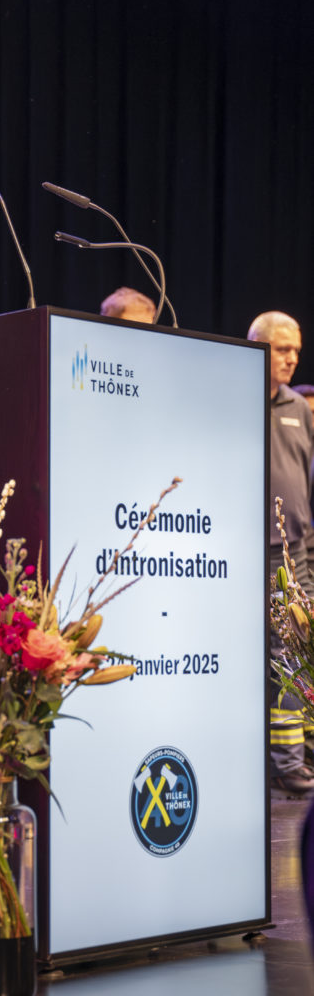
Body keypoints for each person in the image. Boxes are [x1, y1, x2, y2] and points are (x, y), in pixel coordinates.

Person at [248, 310, 314, 796]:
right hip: (254, 556)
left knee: (301, 653)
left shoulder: (299, 409)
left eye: (296, 350)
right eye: (282, 349)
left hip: (298, 555)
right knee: (280, 657)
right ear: (258, 346)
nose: (291, 358)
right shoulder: (235, 398)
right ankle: (285, 762)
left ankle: (299, 754)